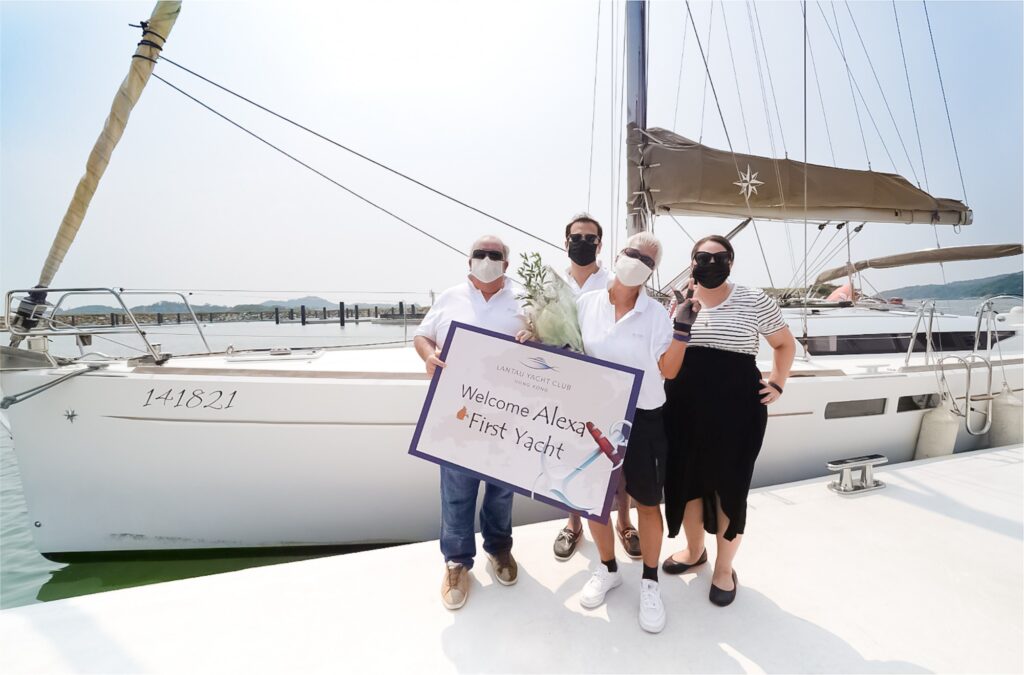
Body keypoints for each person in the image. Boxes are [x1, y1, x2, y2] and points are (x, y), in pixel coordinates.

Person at [661, 235, 796, 607]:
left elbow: (784, 344)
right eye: (702, 257)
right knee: (686, 482)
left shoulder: (754, 299)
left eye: (719, 258)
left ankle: (723, 568)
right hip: (683, 408)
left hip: (737, 412)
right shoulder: (677, 303)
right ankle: (693, 552)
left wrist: (779, 383)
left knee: (728, 489)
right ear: (691, 261)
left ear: (731, 263)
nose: (710, 263)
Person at [573, 231, 695, 634]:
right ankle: (608, 569)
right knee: (595, 499)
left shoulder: (657, 313)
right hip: (594, 416)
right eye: (633, 253)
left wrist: (681, 330)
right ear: (618, 252)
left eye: (648, 261)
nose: (637, 262)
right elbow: (566, 351)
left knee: (646, 502)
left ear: (652, 272)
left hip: (643, 416)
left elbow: (670, 370)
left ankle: (649, 581)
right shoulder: (586, 303)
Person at [413, 235, 528, 611]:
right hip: (456, 411)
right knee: (457, 490)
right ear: (469, 260)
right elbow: (423, 336)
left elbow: (546, 343)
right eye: (480, 253)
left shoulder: (524, 300)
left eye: (495, 255)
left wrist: (536, 337)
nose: (486, 259)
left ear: (506, 265)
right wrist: (429, 357)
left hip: (508, 411)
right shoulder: (449, 297)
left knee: (501, 488)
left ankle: (499, 549)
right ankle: (457, 563)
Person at [550, 213, 641, 563]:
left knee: (618, 459)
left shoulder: (615, 281)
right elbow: (538, 324)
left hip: (608, 384)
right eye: (577, 237)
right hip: (563, 384)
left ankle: (624, 522)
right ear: (566, 241)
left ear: (600, 244)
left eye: (590, 238)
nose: (583, 243)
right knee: (567, 453)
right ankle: (573, 524)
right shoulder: (551, 285)